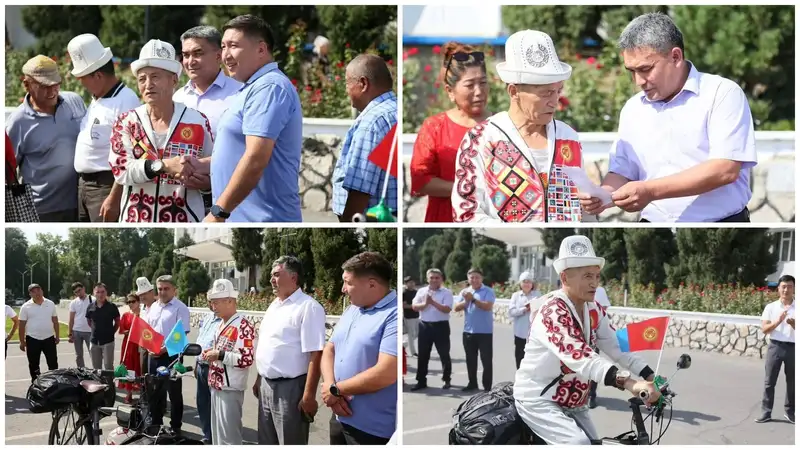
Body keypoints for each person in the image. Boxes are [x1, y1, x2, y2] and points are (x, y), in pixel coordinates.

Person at [580, 12, 756, 223]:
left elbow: (724, 169)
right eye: (631, 71)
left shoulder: (722, 93)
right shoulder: (633, 109)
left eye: (645, 69)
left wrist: (650, 191)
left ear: (675, 57)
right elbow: (622, 171)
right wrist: (603, 195)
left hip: (721, 230)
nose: (638, 81)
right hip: (653, 233)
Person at [514, 235, 660, 445]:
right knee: (580, 445)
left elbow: (616, 346)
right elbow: (579, 356)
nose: (594, 283)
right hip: (538, 400)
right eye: (587, 276)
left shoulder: (593, 310)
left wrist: (650, 375)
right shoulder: (552, 311)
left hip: (573, 402)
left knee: (595, 444)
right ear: (565, 279)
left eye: (597, 276)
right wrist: (629, 383)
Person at [451, 30, 595, 223]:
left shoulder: (568, 137)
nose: (555, 102)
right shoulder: (481, 139)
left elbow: (582, 210)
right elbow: (466, 213)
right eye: (545, 93)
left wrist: (588, 206)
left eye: (557, 91)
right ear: (513, 91)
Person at [210, 14, 303, 223]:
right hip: (243, 218)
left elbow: (255, 158)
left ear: (261, 49)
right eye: (223, 47)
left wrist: (219, 212)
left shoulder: (269, 87)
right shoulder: (253, 87)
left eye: (233, 46)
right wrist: (203, 165)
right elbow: (241, 152)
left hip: (262, 220)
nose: (225, 55)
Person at [108, 39, 214, 223]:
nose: (148, 84)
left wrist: (206, 185)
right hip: (136, 221)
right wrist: (163, 165)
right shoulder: (126, 122)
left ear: (174, 79)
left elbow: (214, 168)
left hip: (185, 220)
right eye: (142, 79)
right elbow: (121, 171)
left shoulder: (197, 121)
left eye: (155, 76)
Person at [322, 252, 397, 444]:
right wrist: (331, 387)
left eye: (348, 282)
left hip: (371, 429)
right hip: (339, 415)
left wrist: (335, 390)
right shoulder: (352, 309)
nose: (343, 289)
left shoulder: (394, 314)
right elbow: (330, 349)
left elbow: (386, 372)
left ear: (371, 284)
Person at [411, 42, 490, 222]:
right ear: (450, 91)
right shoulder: (434, 127)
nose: (479, 92)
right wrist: (468, 190)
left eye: (483, 83)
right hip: (445, 218)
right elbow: (421, 181)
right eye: (470, 85)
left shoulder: (501, 125)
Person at [68, 33, 140, 223]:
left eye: (82, 78)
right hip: (86, 186)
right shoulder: (98, 98)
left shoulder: (125, 101)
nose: (80, 83)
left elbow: (130, 155)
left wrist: (114, 197)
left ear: (98, 75)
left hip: (106, 188)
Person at [254, 256, 326, 445]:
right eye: (271, 275)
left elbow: (316, 354)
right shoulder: (274, 305)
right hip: (266, 386)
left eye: (277, 274)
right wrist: (259, 378)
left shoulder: (308, 307)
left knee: (290, 442)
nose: (271, 279)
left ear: (293, 278)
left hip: (291, 389)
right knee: (266, 442)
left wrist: (309, 396)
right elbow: (268, 345)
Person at [6, 55, 86, 222]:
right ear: (27, 85)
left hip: (79, 203)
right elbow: (8, 170)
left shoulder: (74, 101)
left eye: (55, 84)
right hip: (41, 211)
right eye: (44, 86)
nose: (52, 91)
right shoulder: (18, 122)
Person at [332, 54, 398, 222]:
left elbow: (360, 188)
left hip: (369, 218)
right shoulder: (394, 110)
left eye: (347, 83)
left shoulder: (372, 122)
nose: (346, 90)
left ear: (362, 84)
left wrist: (347, 226)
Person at [205, 279, 255, 445]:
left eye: (217, 302)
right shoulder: (221, 324)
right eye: (212, 302)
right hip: (216, 385)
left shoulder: (243, 325)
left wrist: (219, 355)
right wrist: (212, 354)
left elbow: (246, 359)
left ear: (230, 301)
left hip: (230, 387)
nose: (213, 306)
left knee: (229, 438)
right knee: (218, 435)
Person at [146, 275, 191, 433]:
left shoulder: (181, 308)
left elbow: (182, 334)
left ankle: (175, 426)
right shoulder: (153, 307)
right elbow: (148, 331)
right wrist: (149, 347)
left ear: (174, 290)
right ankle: (156, 424)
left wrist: (163, 349)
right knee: (154, 391)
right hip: (153, 355)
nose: (163, 292)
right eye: (160, 289)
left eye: (166, 289)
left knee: (174, 392)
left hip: (172, 356)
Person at [756, 274, 795, 424]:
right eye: (783, 286)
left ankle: (790, 412)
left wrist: (793, 324)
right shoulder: (771, 307)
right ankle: (766, 412)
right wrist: (778, 321)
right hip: (775, 346)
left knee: (792, 382)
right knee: (769, 382)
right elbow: (765, 329)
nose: (786, 290)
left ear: (794, 288)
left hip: (793, 347)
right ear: (778, 288)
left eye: (790, 286)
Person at [409, 269, 453, 391]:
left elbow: (447, 309)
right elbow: (414, 306)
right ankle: (421, 381)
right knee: (423, 355)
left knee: (444, 354)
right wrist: (425, 304)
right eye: (431, 277)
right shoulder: (422, 291)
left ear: (441, 279)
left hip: (441, 326)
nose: (434, 280)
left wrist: (432, 302)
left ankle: (446, 379)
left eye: (436, 278)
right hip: (424, 326)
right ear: (427, 279)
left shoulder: (446, 292)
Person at [454, 268, 496, 391]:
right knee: (470, 360)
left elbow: (487, 306)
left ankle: (487, 387)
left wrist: (472, 299)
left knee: (486, 361)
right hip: (468, 332)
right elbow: (456, 307)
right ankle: (472, 383)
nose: (474, 280)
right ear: (468, 278)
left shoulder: (488, 291)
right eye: (471, 277)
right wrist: (466, 301)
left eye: (477, 277)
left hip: (485, 332)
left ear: (481, 278)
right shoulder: (465, 292)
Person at [18, 284, 60, 383]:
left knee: (53, 362)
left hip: (49, 338)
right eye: (34, 291)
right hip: (33, 339)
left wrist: (57, 336)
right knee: (33, 364)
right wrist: (21, 341)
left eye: (38, 290)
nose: (37, 293)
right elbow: (21, 325)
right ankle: (36, 383)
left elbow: (55, 321)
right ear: (30, 294)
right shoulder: (25, 307)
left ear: (42, 291)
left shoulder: (50, 304)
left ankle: (54, 383)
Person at [194, 300, 220, 443]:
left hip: (213, 367)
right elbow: (200, 341)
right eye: (209, 301)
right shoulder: (208, 318)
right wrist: (196, 363)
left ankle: (216, 437)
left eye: (214, 301)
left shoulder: (224, 320)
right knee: (202, 403)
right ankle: (207, 435)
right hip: (201, 366)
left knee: (215, 405)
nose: (212, 304)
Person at [508, 271, 541, 370]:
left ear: (532, 284)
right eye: (524, 282)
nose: (526, 284)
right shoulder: (516, 296)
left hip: (534, 333)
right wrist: (524, 309)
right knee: (520, 357)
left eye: (529, 282)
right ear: (520, 284)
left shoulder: (537, 294)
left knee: (534, 358)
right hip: (520, 333)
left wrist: (534, 307)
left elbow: (543, 309)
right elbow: (511, 312)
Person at [85, 283, 120, 370]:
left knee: (108, 367)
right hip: (94, 342)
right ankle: (99, 383)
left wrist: (111, 332)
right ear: (94, 293)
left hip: (108, 342)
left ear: (106, 292)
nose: (100, 294)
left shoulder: (112, 307)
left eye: (102, 292)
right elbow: (89, 322)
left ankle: (109, 383)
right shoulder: (90, 307)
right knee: (96, 368)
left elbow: (117, 322)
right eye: (98, 292)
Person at [118, 294, 143, 403]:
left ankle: (142, 392)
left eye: (133, 301)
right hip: (128, 344)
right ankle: (128, 393)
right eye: (128, 302)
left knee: (141, 367)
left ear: (138, 302)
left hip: (140, 344)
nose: (131, 304)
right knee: (128, 367)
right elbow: (121, 330)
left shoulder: (144, 314)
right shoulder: (126, 315)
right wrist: (126, 332)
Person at [135, 277, 157, 379]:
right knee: (144, 375)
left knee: (154, 376)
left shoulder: (158, 307)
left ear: (152, 292)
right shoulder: (142, 308)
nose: (142, 297)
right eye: (140, 295)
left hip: (155, 345)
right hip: (144, 345)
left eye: (145, 293)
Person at [68, 282, 94, 368]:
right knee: (78, 355)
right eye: (76, 292)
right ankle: (81, 371)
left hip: (90, 331)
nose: (79, 293)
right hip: (77, 331)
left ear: (84, 288)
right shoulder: (74, 302)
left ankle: (96, 371)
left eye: (79, 290)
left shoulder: (93, 300)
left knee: (93, 353)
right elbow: (71, 319)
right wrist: (70, 333)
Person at [402, 276, 419, 357]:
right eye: (410, 282)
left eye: (413, 282)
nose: (412, 284)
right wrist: (414, 306)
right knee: (411, 335)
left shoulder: (416, 292)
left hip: (417, 315)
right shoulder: (404, 293)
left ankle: (403, 345)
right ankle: (413, 352)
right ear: (406, 284)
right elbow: (403, 305)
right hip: (409, 317)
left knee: (417, 334)